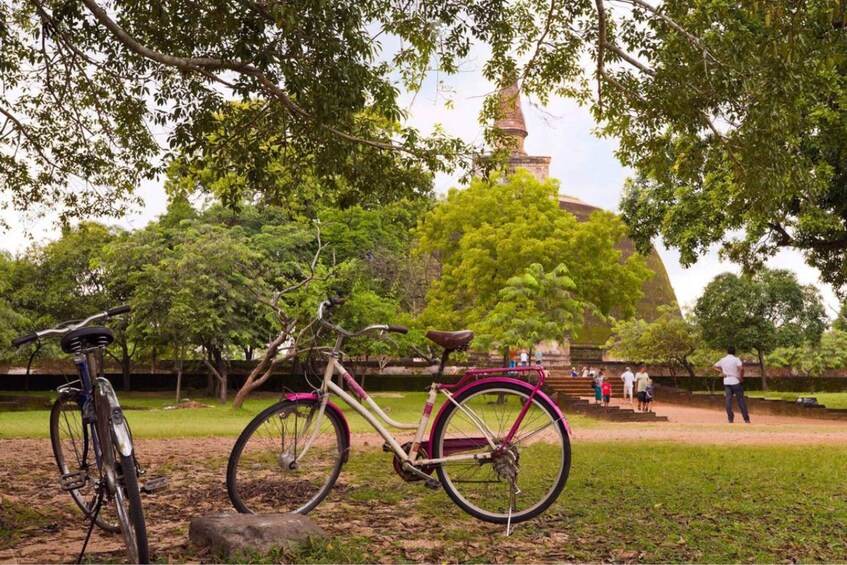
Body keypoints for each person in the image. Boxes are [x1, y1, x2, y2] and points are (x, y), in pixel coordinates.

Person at [712, 345, 750, 424]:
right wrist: (741, 376)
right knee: (740, 400)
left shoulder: (723, 360)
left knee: (728, 400)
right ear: (734, 352)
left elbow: (714, 366)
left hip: (726, 381)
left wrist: (721, 372)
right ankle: (746, 419)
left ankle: (730, 418)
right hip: (735, 381)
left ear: (727, 352)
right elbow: (741, 368)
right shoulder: (736, 359)